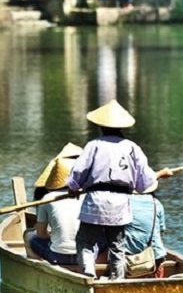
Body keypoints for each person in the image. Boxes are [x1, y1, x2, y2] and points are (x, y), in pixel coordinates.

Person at [66, 99, 173, 280]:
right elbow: (144, 183)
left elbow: (78, 172)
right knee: (117, 245)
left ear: (101, 126)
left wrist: (73, 188)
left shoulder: (94, 145)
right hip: (120, 203)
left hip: (95, 200)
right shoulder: (133, 148)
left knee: (85, 240)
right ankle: (118, 278)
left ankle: (88, 271)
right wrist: (160, 174)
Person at [29, 157, 82, 266]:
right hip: (85, 257)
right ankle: (96, 270)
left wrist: (52, 237)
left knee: (29, 237)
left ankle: (40, 266)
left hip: (58, 257)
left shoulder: (47, 198)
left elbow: (41, 234)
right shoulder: (85, 196)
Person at [125, 193, 167, 278]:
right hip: (155, 256)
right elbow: (161, 231)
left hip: (127, 257)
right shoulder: (156, 203)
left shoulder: (121, 202)